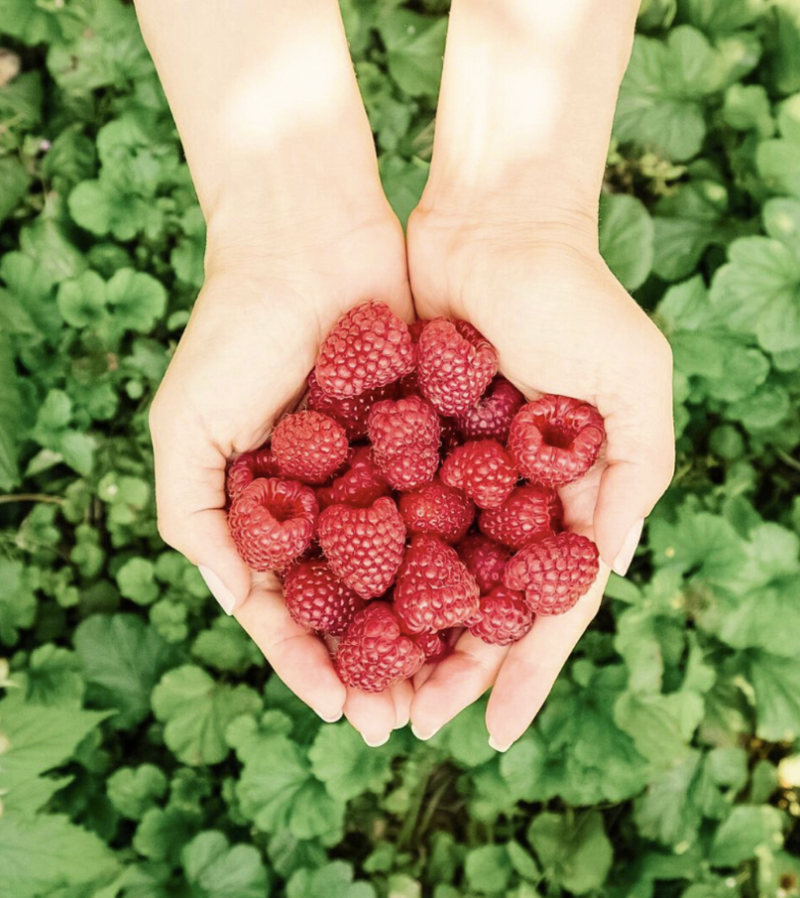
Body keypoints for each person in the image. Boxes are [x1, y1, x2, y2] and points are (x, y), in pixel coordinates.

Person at [135, 0, 674, 751]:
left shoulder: (433, 484)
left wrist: (521, 218)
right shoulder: (396, 465)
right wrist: (278, 235)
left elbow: (420, 476)